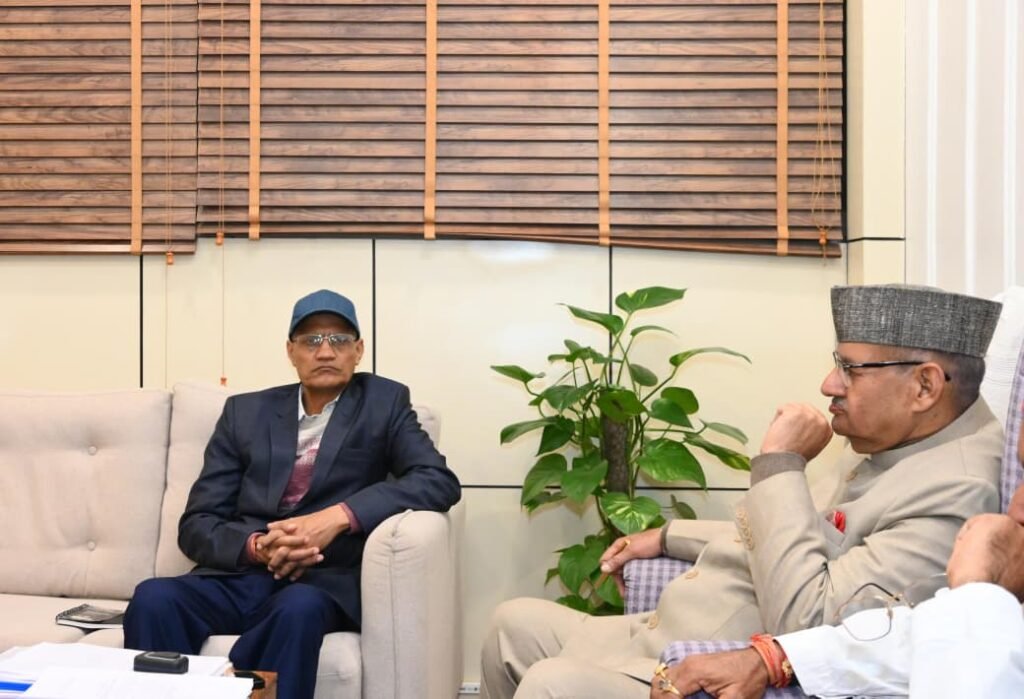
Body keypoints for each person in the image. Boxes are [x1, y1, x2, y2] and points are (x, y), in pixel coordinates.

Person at [481, 284, 1003, 699]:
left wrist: (780, 464)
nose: (829, 384)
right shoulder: (903, 435)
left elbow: (808, 623)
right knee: (512, 625)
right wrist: (668, 535)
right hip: (665, 630)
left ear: (924, 387)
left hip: (705, 661)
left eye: (850, 369)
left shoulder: (955, 490)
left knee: (551, 684)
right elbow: (801, 533)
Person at [123, 289, 462, 699]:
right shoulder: (245, 413)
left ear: (358, 351)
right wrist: (257, 547)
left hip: (321, 582)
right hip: (243, 576)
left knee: (297, 610)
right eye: (311, 340)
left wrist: (337, 517)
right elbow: (197, 524)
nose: (325, 351)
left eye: (339, 340)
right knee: (154, 597)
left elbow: (437, 480)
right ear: (291, 351)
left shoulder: (384, 402)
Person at [654, 411, 1024, 699]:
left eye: (852, 369)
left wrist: (977, 590)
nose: (1017, 507)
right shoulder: (872, 453)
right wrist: (775, 659)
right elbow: (908, 637)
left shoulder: (952, 487)